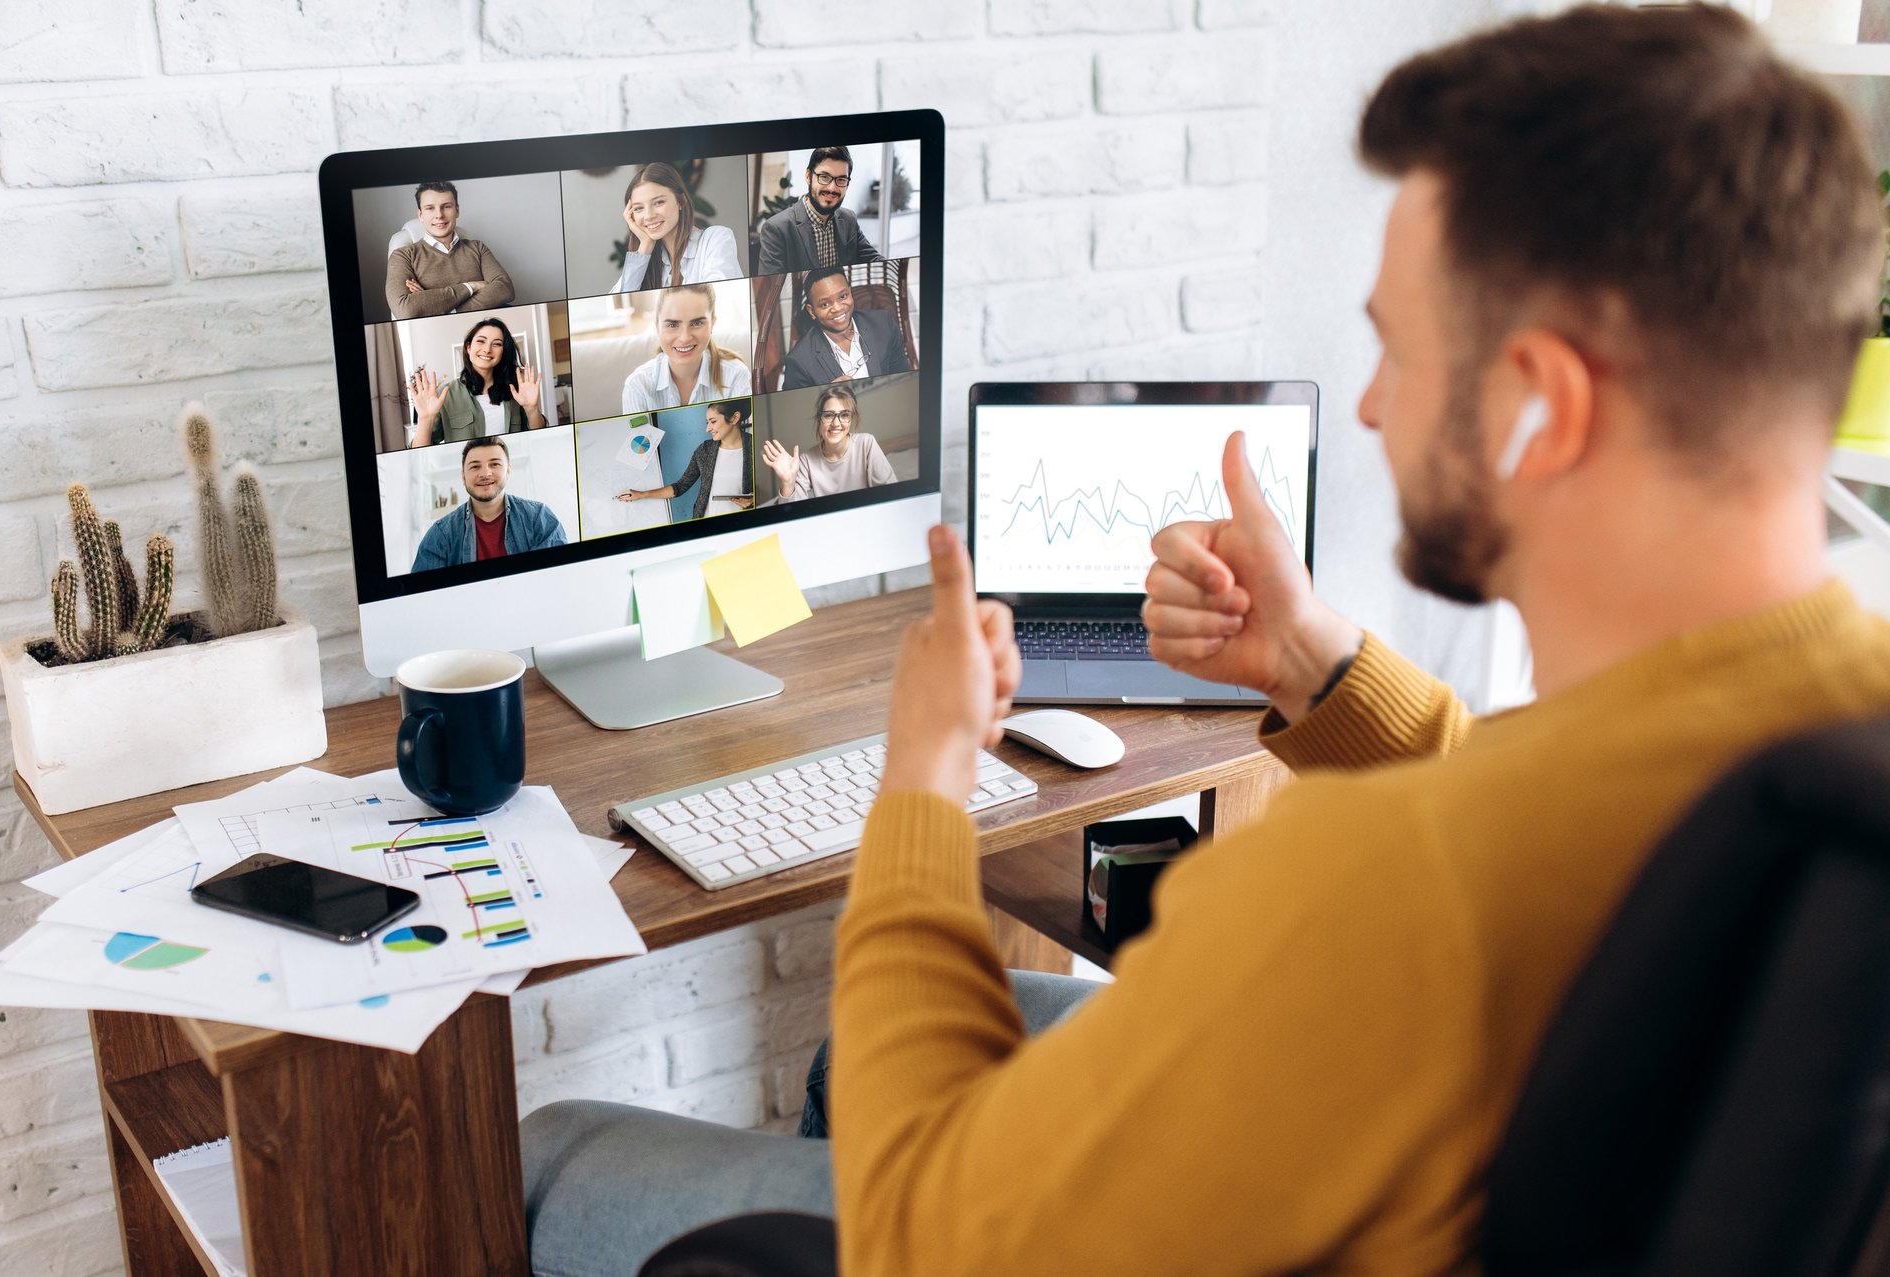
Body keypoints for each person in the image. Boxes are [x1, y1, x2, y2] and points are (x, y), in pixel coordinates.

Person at [518, 7, 1890, 1275]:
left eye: (1397, 353)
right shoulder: (1828, 725)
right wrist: (1313, 665)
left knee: (555, 1154)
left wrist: (927, 769)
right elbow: (1561, 818)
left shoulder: (1381, 885)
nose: (1367, 409)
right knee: (856, 1059)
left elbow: (924, 1231)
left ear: (1538, 408)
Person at [410, 438, 567, 572]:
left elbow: (556, 578)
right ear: (463, 477)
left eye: (494, 464)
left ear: (508, 471)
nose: (485, 473)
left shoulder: (539, 518)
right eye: (475, 466)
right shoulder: (440, 536)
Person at [383, 180, 514, 320]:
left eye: (446, 206)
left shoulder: (477, 247)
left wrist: (439, 306)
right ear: (420, 214)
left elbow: (505, 289)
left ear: (457, 210)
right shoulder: (403, 256)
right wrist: (471, 286)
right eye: (430, 208)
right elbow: (405, 309)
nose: (439, 215)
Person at [406, 318, 545, 449]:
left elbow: (540, 440)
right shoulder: (445, 394)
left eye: (497, 344)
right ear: (468, 347)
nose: (487, 349)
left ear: (503, 351)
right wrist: (425, 419)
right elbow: (420, 453)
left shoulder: (515, 390)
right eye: (481, 341)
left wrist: (532, 408)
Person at [621, 284, 752, 414]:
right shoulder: (637, 386)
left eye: (696, 323)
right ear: (657, 327)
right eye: (672, 324)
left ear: (712, 324)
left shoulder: (736, 375)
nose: (684, 338)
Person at [616, 398, 753, 519]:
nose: (708, 428)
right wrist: (642, 494)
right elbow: (680, 486)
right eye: (707, 422)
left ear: (734, 418)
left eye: (713, 421)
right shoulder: (704, 450)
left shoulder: (756, 447)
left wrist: (753, 499)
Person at [754, 146, 883, 275]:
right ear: (808, 176)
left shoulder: (849, 219)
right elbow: (772, 289)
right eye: (825, 177)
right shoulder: (776, 229)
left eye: (841, 180)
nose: (832, 188)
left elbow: (874, 259)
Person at [778, 268, 912, 391]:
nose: (837, 308)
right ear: (812, 311)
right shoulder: (799, 362)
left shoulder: (884, 324)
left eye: (843, 296)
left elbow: (904, 379)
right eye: (825, 304)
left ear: (850, 293)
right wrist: (828, 394)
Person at [616, 163, 742, 292]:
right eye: (639, 208)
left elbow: (719, 299)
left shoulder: (716, 239)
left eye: (659, 202)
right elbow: (621, 305)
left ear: (681, 201)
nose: (648, 216)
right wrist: (645, 247)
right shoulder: (651, 259)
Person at [761, 385, 897, 503]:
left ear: (852, 419)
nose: (836, 423)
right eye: (828, 415)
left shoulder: (866, 444)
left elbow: (891, 494)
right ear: (819, 420)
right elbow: (791, 513)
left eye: (844, 415)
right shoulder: (806, 461)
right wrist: (788, 483)